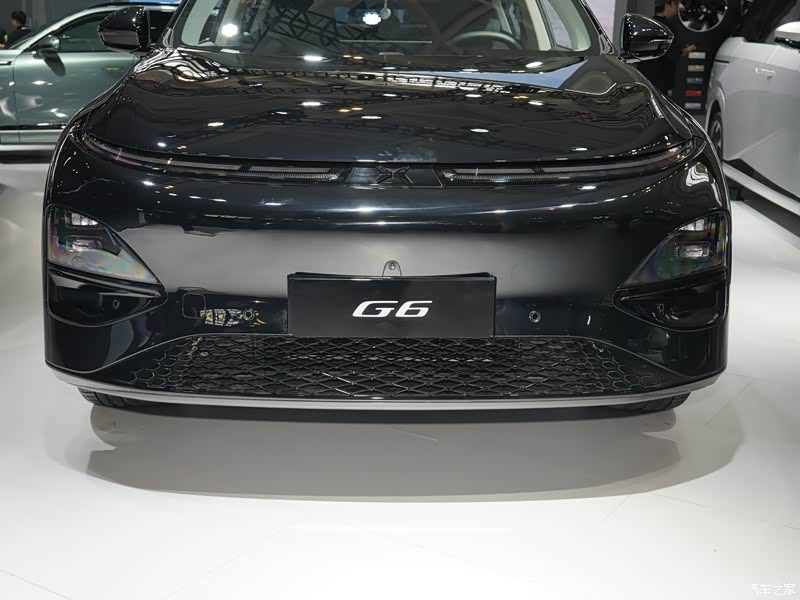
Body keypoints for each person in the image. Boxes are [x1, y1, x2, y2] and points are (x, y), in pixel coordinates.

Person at [637, 0, 697, 95]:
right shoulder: (666, 26)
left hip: (644, 74)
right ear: (667, 6)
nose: (677, 9)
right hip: (660, 76)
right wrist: (687, 50)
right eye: (675, 5)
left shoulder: (647, 24)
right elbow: (672, 52)